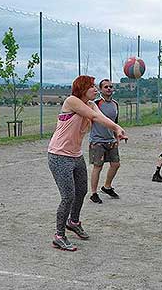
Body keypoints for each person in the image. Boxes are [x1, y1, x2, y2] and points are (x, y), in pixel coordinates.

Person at [48, 75, 128, 251]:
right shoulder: (72, 101)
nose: (96, 89)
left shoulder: (91, 104)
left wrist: (116, 129)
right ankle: (59, 235)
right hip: (58, 155)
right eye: (92, 86)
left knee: (82, 191)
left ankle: (73, 221)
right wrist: (115, 128)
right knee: (68, 196)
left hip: (75, 155)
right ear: (82, 88)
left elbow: (101, 117)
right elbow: (94, 116)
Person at [88, 79, 121, 204]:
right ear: (101, 89)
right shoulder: (95, 103)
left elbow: (114, 123)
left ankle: (107, 187)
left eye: (111, 87)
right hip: (97, 140)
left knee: (116, 164)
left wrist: (116, 136)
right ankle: (94, 193)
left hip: (111, 140)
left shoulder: (115, 104)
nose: (109, 89)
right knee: (98, 166)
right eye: (106, 87)